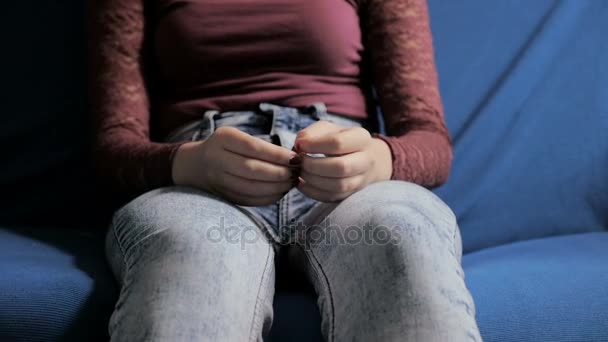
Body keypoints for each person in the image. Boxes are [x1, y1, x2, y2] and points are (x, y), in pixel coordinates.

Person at [88, 0, 481, 340]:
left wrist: (379, 159)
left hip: (349, 183)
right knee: (192, 250)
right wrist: (188, 162)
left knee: (402, 234)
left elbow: (429, 139)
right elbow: (114, 146)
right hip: (199, 181)